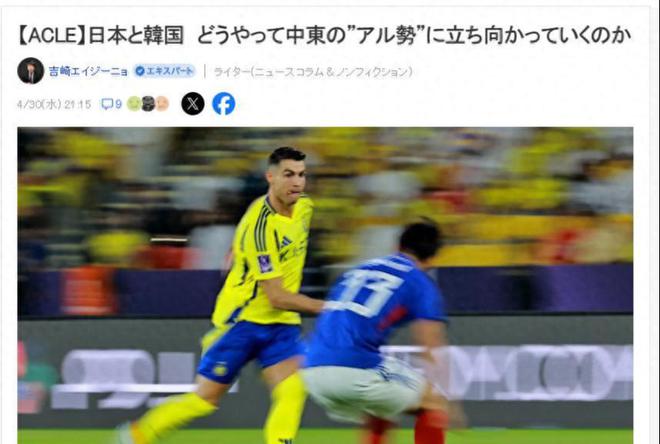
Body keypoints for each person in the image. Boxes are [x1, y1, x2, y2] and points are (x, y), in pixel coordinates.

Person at [116, 147, 324, 444]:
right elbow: (277, 296)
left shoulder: (304, 207)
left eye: (302, 175)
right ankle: (137, 435)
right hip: (243, 320)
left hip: (280, 322)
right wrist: (330, 307)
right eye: (288, 174)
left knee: (292, 388)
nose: (297, 182)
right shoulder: (259, 228)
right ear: (271, 177)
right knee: (205, 399)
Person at [302, 220, 462, 444]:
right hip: (354, 369)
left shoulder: (357, 271)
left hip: (311, 370)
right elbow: (431, 347)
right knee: (433, 402)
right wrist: (450, 403)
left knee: (383, 407)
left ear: (398, 246)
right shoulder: (419, 281)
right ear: (433, 258)